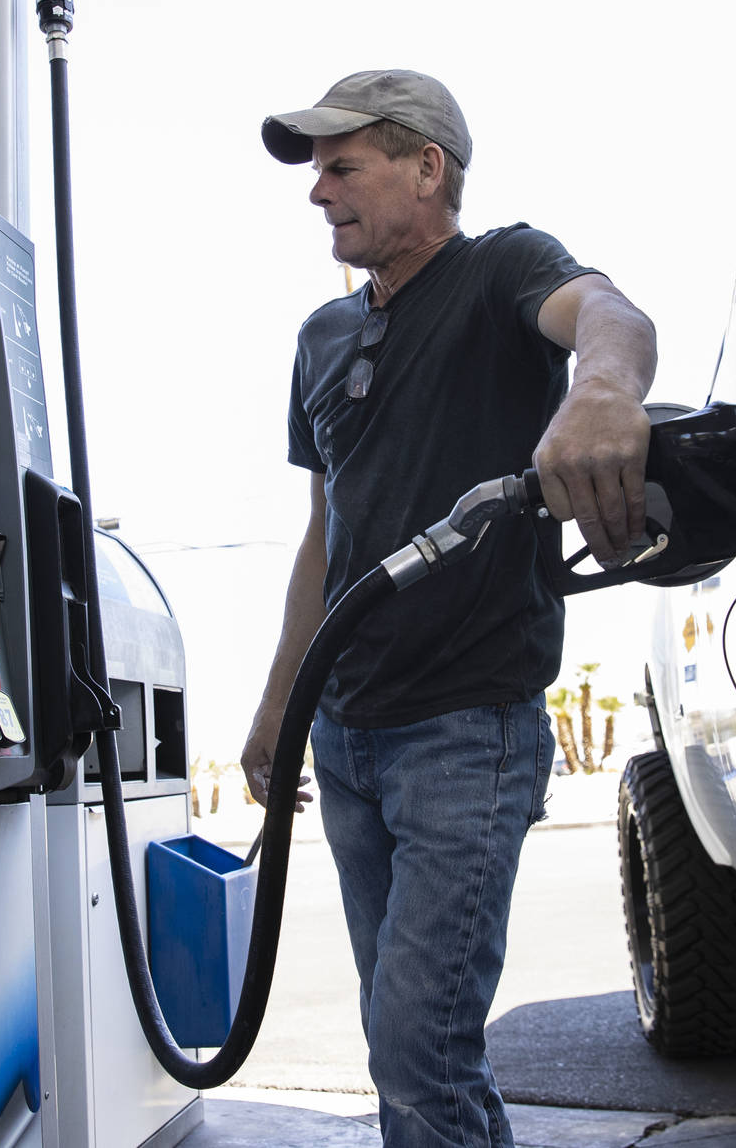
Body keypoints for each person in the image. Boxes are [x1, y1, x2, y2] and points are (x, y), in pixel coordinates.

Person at [240, 70, 656, 1148]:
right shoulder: (320, 340)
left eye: (343, 166)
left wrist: (603, 390)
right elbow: (324, 536)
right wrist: (278, 708)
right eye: (317, 171)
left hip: (466, 726)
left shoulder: (499, 272)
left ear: (428, 167)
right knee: (410, 1052)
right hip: (346, 732)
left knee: (418, 1038)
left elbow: (608, 312)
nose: (318, 192)